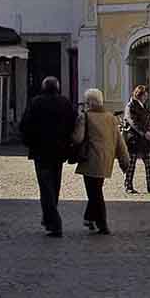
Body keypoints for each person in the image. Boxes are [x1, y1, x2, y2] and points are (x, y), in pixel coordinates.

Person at [19, 76, 78, 237]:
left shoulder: (36, 102)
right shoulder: (65, 103)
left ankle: (54, 222)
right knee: (54, 186)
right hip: (59, 152)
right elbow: (74, 124)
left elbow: (25, 125)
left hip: (40, 151)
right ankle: (49, 219)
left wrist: (29, 143)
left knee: (46, 188)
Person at [75, 87, 131, 236]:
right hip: (106, 160)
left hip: (90, 160)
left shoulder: (85, 117)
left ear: (89, 102)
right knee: (96, 189)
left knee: (94, 193)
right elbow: (119, 142)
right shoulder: (111, 117)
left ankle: (102, 223)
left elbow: (78, 138)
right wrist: (124, 161)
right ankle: (90, 218)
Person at [121, 84, 150, 194]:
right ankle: (128, 185)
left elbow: (147, 120)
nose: (146, 97)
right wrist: (144, 133)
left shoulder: (144, 106)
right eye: (145, 95)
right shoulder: (130, 106)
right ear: (139, 95)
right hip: (134, 139)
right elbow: (133, 122)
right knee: (131, 164)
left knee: (149, 162)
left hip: (145, 139)